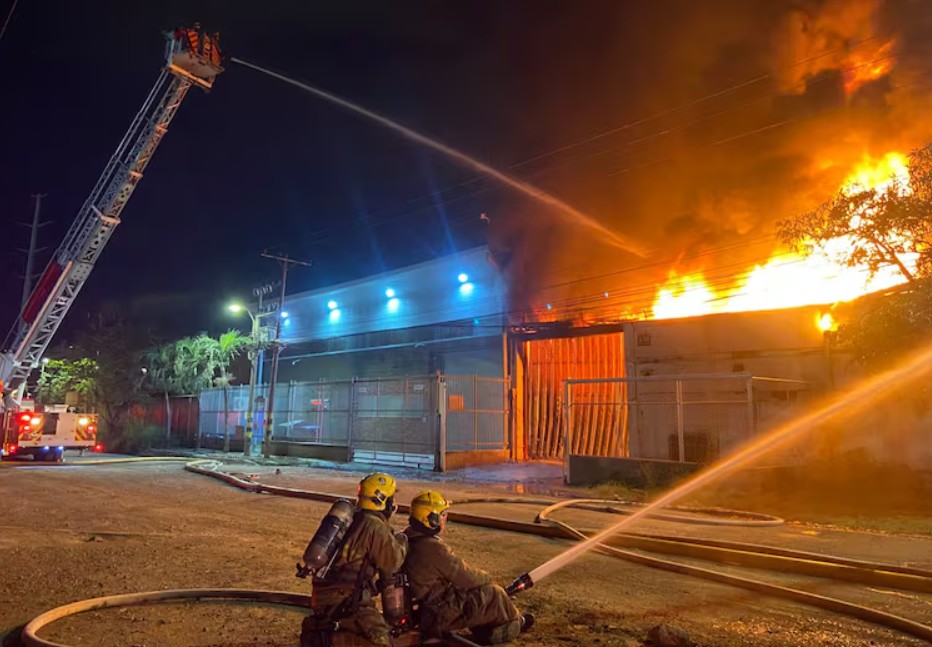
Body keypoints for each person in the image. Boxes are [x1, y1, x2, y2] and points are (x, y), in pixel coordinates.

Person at [402, 490, 533, 644]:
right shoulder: (432, 548)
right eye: (443, 515)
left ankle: (495, 624)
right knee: (494, 593)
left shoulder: (408, 537)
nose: (445, 519)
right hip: (437, 614)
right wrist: (488, 578)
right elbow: (466, 576)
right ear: (431, 519)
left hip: (425, 610)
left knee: (474, 594)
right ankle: (514, 625)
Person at [301, 472, 408, 647]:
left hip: (326, 597)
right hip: (346, 601)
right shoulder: (374, 526)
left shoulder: (354, 518)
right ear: (382, 499)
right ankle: (329, 641)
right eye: (391, 498)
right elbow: (393, 561)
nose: (394, 504)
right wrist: (403, 540)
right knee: (381, 640)